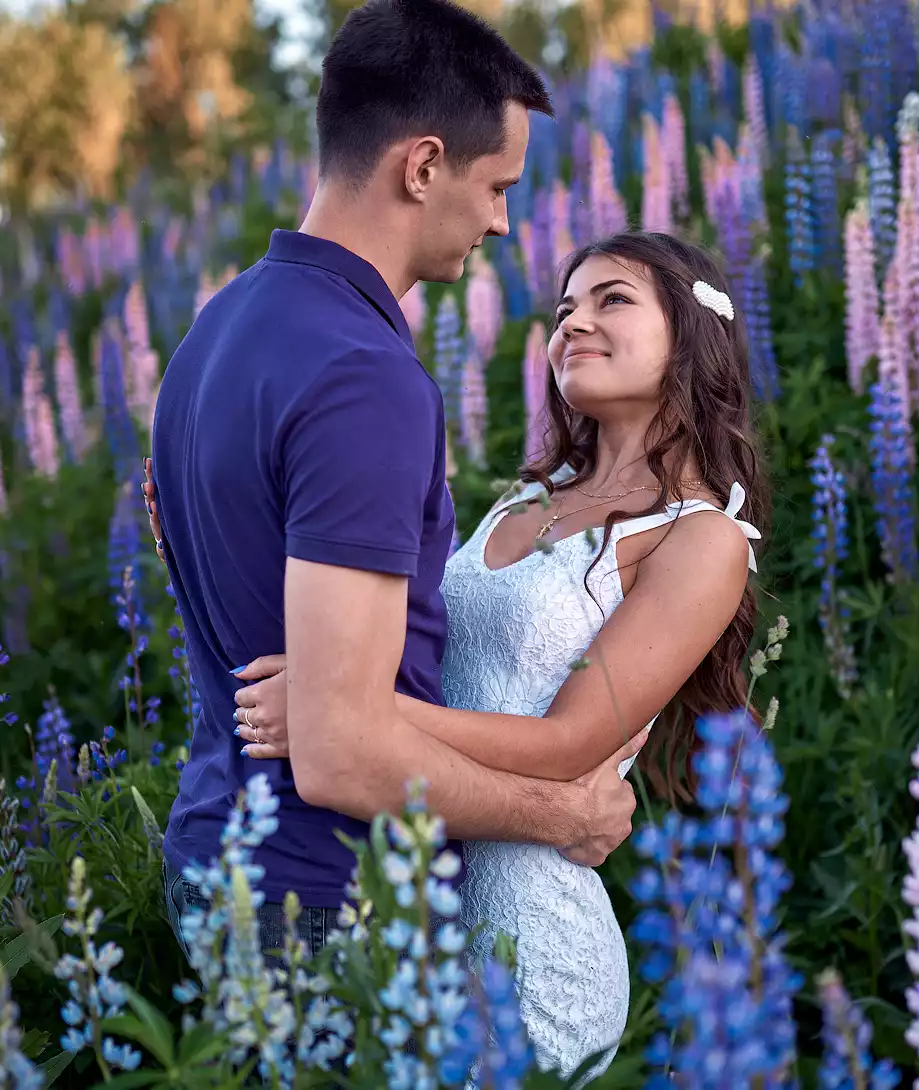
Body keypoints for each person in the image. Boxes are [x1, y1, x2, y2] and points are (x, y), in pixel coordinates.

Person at [144, 0, 645, 978]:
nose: (504, 221)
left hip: (220, 851)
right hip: (333, 899)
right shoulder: (363, 375)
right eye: (497, 185)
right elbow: (342, 754)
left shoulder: (216, 330)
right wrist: (563, 812)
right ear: (421, 166)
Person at [212, 231, 774, 1080]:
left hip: (538, 936)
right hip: (416, 907)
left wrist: (345, 711)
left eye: (611, 299)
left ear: (693, 336)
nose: (574, 321)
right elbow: (387, 625)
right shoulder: (528, 498)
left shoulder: (703, 539)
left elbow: (568, 745)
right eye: (564, 308)